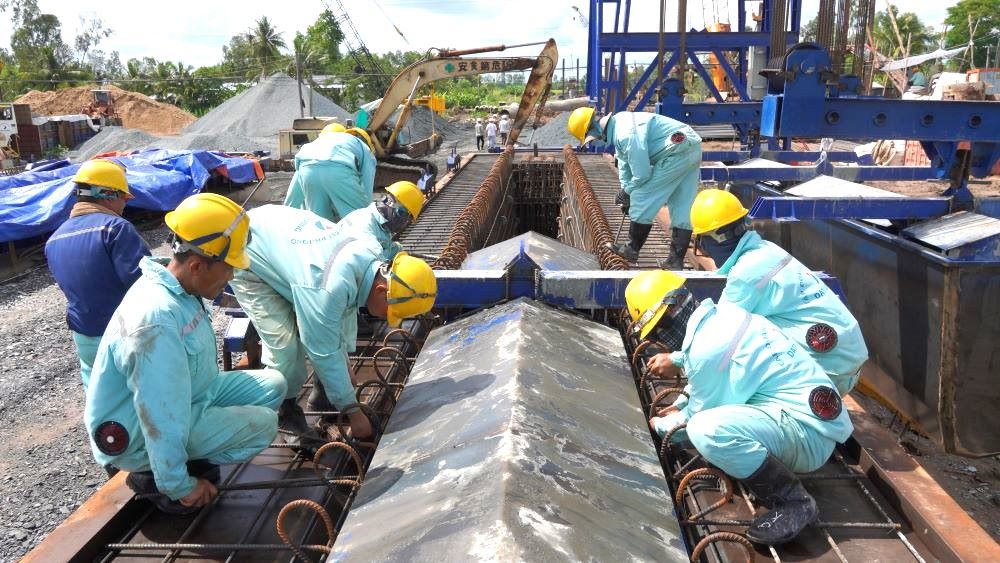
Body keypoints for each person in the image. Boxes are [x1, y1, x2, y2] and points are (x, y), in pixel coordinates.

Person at [85, 193, 287, 515]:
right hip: (140, 431)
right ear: (196, 265)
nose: (232, 277)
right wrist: (182, 486)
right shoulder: (156, 322)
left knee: (275, 384)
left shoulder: (179, 286)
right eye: (228, 268)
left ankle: (190, 451)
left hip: (192, 394)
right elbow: (160, 417)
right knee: (264, 425)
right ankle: (153, 476)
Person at [626, 270, 853, 545]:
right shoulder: (726, 316)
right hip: (809, 420)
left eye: (660, 326)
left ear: (672, 309)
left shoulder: (707, 349)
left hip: (804, 438)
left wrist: (659, 426)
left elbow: (693, 418)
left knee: (705, 430)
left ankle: (794, 501)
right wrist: (681, 402)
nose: (662, 335)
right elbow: (713, 377)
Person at [228, 205, 437, 448]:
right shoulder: (326, 287)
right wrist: (354, 413)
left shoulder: (370, 257)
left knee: (324, 339)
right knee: (285, 346)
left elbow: (342, 314)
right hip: (248, 252)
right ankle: (285, 415)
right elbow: (322, 348)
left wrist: (345, 362)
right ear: (382, 290)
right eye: (390, 312)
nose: (386, 318)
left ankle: (322, 399)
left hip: (280, 238)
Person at [680, 188, 868, 395]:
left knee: (739, 377)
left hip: (829, 368)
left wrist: (680, 361)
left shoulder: (747, 273)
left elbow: (720, 336)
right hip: (846, 357)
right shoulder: (766, 250)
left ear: (710, 240)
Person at [45, 159, 151, 388]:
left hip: (84, 335)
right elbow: (146, 285)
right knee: (141, 401)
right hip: (123, 335)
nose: (125, 203)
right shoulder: (116, 228)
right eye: (124, 196)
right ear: (108, 194)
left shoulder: (54, 240)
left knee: (100, 401)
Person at [567, 106, 702, 269]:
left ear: (593, 128)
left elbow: (642, 174)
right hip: (690, 147)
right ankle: (675, 260)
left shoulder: (625, 134)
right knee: (682, 205)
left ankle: (632, 249)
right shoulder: (620, 125)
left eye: (592, 138)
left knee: (642, 196)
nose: (596, 141)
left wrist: (629, 192)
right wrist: (626, 192)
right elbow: (625, 163)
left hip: (676, 152)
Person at [283, 126, 377, 223]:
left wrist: (286, 215)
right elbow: (367, 183)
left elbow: (295, 189)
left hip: (307, 171)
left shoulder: (316, 144)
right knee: (360, 220)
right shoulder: (363, 148)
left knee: (320, 224)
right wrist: (368, 211)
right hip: (338, 169)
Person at [337, 180, 425, 261]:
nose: (404, 223)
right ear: (390, 203)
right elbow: (377, 267)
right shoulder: (365, 226)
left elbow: (386, 245)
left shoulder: (378, 223)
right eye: (403, 214)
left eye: (408, 220)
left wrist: (399, 251)